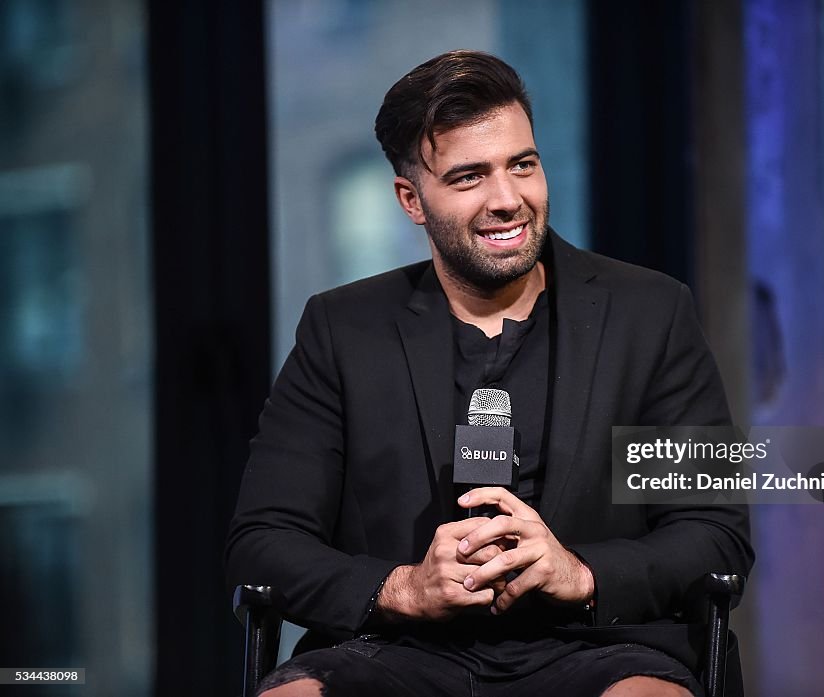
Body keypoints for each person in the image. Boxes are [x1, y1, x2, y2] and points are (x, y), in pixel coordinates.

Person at [225, 50, 753, 697]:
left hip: (602, 646)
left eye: (522, 165)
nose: (509, 200)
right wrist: (404, 588)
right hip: (393, 649)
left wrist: (581, 571)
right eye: (470, 176)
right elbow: (263, 539)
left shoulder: (650, 313)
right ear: (411, 199)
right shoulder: (342, 328)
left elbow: (716, 530)